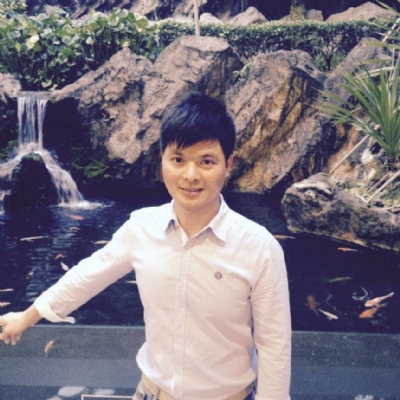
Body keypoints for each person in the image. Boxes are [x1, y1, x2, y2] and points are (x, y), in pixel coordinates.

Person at [0, 92, 291, 400]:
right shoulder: (142, 228)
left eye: (206, 161)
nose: (191, 175)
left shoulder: (259, 248)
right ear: (162, 159)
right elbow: (88, 276)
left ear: (227, 164)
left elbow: (274, 345)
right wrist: (27, 316)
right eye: (178, 160)